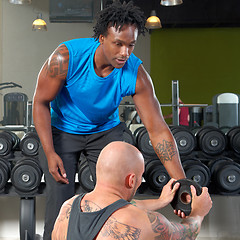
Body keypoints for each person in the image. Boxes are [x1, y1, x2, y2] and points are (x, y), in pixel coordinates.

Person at [33, 1, 186, 239]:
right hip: (62, 130)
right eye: (118, 44)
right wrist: (49, 152)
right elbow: (40, 102)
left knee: (114, 197)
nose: (125, 52)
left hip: (105, 131)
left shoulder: (136, 75)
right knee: (60, 200)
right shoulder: (66, 57)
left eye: (131, 45)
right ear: (102, 38)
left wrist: (182, 182)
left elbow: (157, 129)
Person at [52, 141, 212, 240]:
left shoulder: (67, 208)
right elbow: (186, 234)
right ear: (132, 180)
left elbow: (113, 209)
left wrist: (160, 202)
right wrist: (198, 214)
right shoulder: (146, 222)